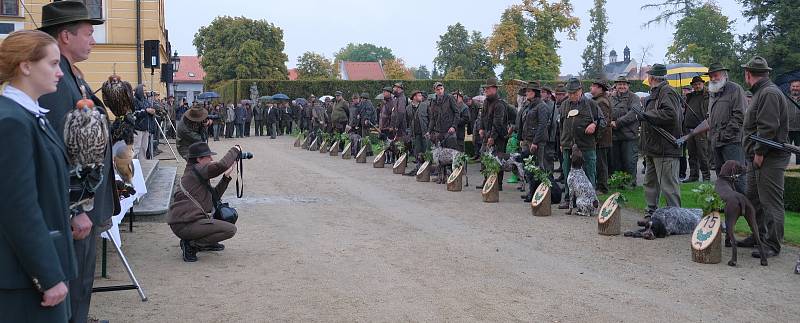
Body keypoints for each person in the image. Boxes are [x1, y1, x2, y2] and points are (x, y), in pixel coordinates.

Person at [37, 2, 118, 322]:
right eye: (88, 33)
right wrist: (76, 207)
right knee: (74, 285)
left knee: (82, 284)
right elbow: (59, 150)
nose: (94, 39)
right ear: (66, 36)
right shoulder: (58, 84)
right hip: (75, 208)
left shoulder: (73, 76)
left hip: (85, 204)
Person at [0, 29, 76, 323]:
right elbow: (18, 208)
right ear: (26, 66)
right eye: (53, 64)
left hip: (37, 270)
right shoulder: (11, 121)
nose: (60, 72)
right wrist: (47, 274)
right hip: (24, 280)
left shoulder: (29, 115)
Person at [740, 56, 790, 258]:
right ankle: (758, 235)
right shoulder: (763, 91)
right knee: (754, 198)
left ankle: (773, 244)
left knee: (770, 201)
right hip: (759, 156)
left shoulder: (767, 93)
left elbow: (768, 128)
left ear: (748, 74)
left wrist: (759, 153)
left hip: (768, 158)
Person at [678, 62, 746, 191]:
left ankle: (745, 205)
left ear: (724, 75)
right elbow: (710, 119)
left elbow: (740, 116)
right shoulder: (713, 92)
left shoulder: (735, 89)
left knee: (737, 176)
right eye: (711, 76)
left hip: (732, 142)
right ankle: (728, 205)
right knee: (722, 177)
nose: (713, 79)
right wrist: (690, 134)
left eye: (716, 75)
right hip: (716, 142)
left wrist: (723, 134)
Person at [168, 142, 239, 262]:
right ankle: (191, 244)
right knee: (230, 229)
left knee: (226, 215)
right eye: (208, 156)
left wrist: (226, 178)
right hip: (185, 224)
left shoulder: (195, 172)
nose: (211, 159)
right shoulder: (197, 169)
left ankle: (205, 242)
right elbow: (221, 165)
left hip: (186, 222)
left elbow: (214, 198)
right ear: (199, 159)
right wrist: (235, 149)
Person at [641, 64, 683, 216]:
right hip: (653, 147)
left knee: (669, 186)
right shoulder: (657, 93)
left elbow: (671, 115)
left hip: (666, 147)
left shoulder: (667, 92)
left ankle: (676, 217)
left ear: (652, 78)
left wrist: (647, 114)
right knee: (650, 183)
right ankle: (651, 213)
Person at [557, 77, 605, 209]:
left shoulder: (591, 104)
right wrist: (562, 142)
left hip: (586, 146)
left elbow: (603, 122)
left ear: (580, 91)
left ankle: (591, 201)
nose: (572, 95)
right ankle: (568, 200)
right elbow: (561, 125)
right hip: (568, 145)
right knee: (568, 175)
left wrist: (594, 124)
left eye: (574, 93)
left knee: (589, 174)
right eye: (570, 93)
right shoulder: (564, 105)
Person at [609, 76, 641, 187]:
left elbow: (633, 114)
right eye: (619, 84)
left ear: (628, 86)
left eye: (624, 84)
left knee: (629, 162)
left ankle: (630, 184)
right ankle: (618, 184)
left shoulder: (634, 98)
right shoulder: (611, 98)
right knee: (616, 163)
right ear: (616, 86)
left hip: (629, 136)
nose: (622, 86)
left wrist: (617, 123)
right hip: (615, 136)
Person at [481, 78, 509, 190]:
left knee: (498, 160)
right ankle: (487, 180)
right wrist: (481, 128)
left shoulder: (500, 104)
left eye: (488, 88)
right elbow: (482, 117)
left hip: (499, 137)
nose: (485, 90)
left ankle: (498, 184)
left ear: (494, 89)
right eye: (485, 88)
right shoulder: (486, 102)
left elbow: (497, 122)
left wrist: (492, 137)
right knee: (485, 157)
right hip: (488, 134)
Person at [683, 76, 711, 183]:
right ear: (692, 86)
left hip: (701, 129)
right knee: (691, 153)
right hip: (690, 129)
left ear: (703, 84)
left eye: (699, 84)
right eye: (695, 85)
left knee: (702, 153)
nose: (697, 86)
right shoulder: (690, 97)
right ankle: (693, 176)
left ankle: (706, 176)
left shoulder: (707, 96)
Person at [591, 80, 613, 194]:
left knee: (601, 163)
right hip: (601, 137)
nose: (591, 87)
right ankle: (599, 185)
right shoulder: (598, 100)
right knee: (599, 162)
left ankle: (603, 187)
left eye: (594, 86)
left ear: (600, 88)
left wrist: (597, 138)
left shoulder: (602, 102)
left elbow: (602, 122)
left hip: (602, 138)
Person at [428, 82, 459, 149]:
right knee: (439, 154)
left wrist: (454, 126)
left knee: (451, 153)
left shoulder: (450, 97)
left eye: (441, 89)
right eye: (438, 89)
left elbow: (457, 112)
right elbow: (432, 118)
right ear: (435, 91)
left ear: (443, 89)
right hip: (438, 132)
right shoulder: (433, 101)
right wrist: (429, 131)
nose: (440, 91)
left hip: (449, 131)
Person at [405, 90, 430, 176]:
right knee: (417, 151)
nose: (421, 97)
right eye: (419, 95)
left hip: (425, 132)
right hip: (415, 133)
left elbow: (430, 119)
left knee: (426, 151)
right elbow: (407, 122)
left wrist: (430, 131)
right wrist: (409, 132)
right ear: (414, 97)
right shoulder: (408, 108)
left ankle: (427, 168)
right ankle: (419, 168)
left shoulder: (425, 105)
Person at [132, 84, 156, 159]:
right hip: (138, 128)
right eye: (144, 91)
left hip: (146, 128)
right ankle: (133, 165)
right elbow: (134, 113)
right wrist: (146, 111)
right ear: (140, 91)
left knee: (144, 148)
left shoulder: (145, 100)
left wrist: (152, 111)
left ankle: (143, 165)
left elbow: (149, 109)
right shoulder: (134, 100)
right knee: (136, 148)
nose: (146, 92)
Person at [788, 79, 800, 165]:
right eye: (793, 86)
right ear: (790, 87)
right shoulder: (785, 98)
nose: (795, 88)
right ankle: (784, 170)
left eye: (797, 86)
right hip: (787, 129)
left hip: (799, 130)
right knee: (785, 151)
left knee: (799, 152)